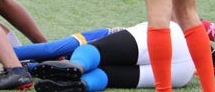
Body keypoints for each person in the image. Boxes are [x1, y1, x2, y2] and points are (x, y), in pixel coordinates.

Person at [30, 22, 194, 92]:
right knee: (107, 75)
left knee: (93, 50)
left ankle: (76, 64)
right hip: (182, 75)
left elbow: (49, 48)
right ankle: (81, 84)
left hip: (171, 37)